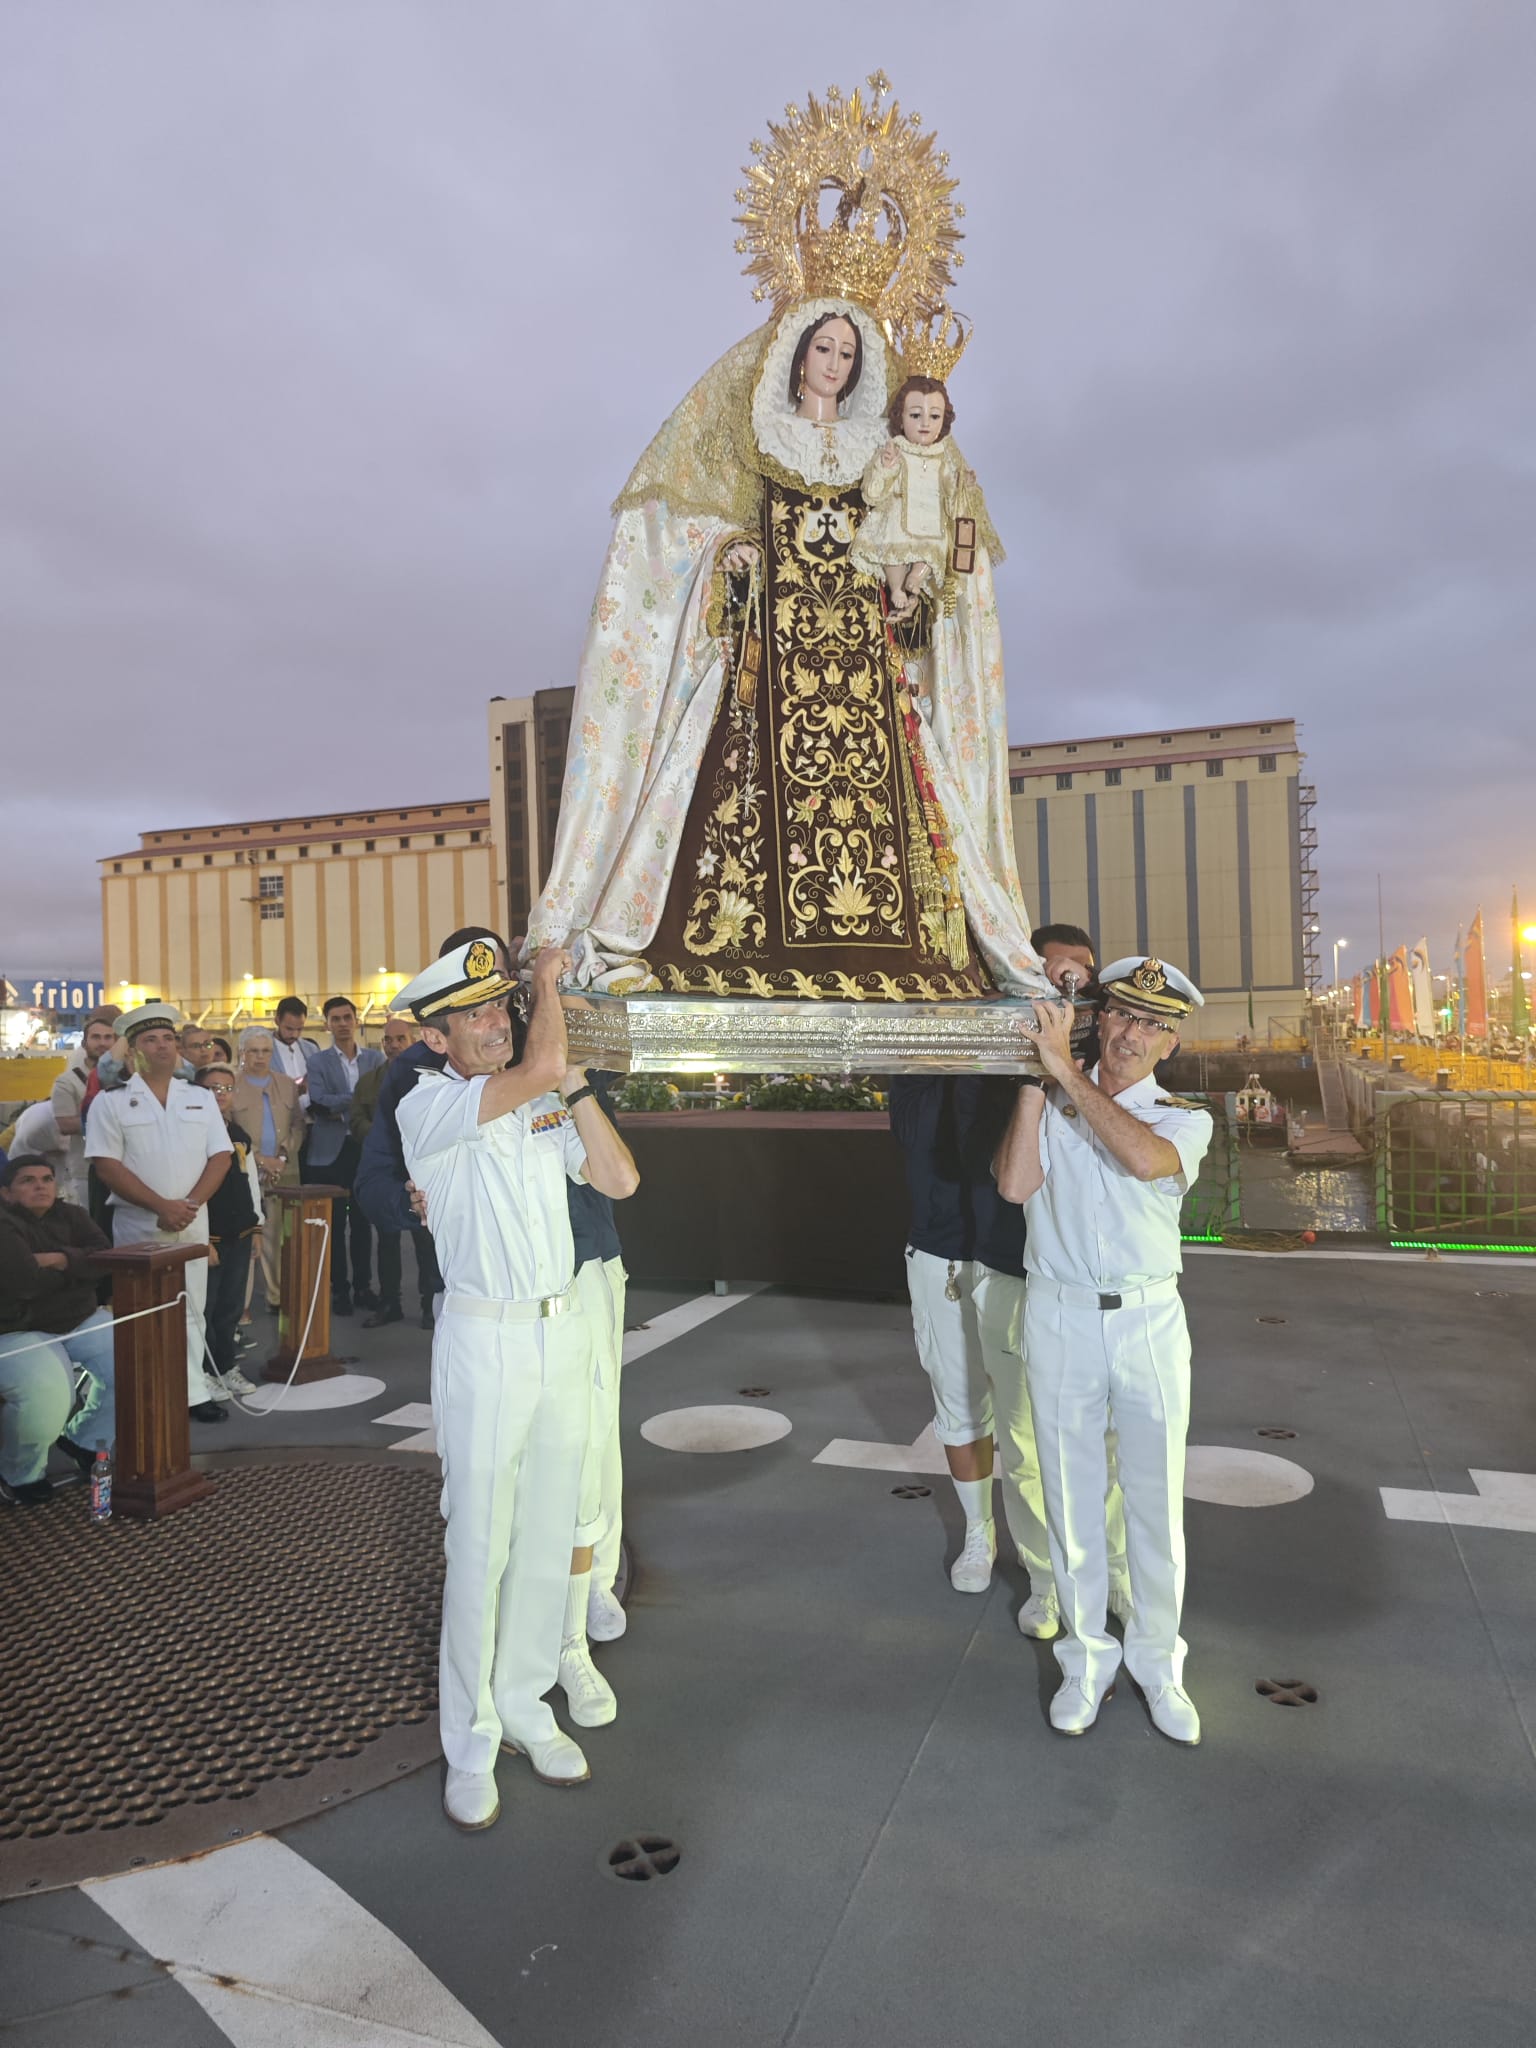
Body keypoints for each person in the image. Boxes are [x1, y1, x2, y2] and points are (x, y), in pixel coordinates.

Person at [525, 176, 1047, 1004]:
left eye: (849, 353)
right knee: (731, 801)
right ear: (796, 353)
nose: (834, 365)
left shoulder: (889, 452)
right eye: (823, 349)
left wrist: (914, 587)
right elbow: (687, 532)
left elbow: (926, 537)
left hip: (865, 664)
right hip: (772, 662)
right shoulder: (753, 439)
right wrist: (730, 551)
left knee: (903, 807)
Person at [395, 939, 640, 1832]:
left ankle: (528, 1704)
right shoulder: (429, 1108)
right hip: (484, 1341)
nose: (493, 1023)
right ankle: (471, 1738)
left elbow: (619, 1178)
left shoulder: (543, 1097)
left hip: (559, 1328)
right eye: (473, 1015)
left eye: (501, 1006)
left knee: (545, 1538)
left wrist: (572, 1088)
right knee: (480, 1548)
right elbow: (539, 1062)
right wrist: (547, 988)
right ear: (436, 1039)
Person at [995, 956, 1213, 1744]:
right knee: (1072, 1503)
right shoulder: (1050, 1094)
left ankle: (1158, 1663)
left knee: (1155, 1506)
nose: (1132, 1034)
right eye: (1122, 1015)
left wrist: (1065, 1074)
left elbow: (1143, 1159)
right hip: (1058, 1316)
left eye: (1153, 1025)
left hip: (1149, 1321)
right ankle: (1087, 1660)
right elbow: (1015, 1187)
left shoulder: (1182, 1118)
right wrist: (1033, 1078)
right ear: (1100, 1018)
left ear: (1171, 1044)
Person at [888, 1075, 1131, 1626]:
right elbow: (914, 1133)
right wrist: (952, 1061)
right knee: (960, 1402)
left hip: (1019, 1254)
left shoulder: (1024, 1048)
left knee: (1054, 1424)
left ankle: (1103, 1562)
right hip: (939, 1246)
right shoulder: (915, 1057)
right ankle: (981, 1532)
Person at [83, 1003, 232, 1424]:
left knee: (191, 1307)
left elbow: (220, 1157)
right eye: (151, 1039)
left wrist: (189, 1206)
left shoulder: (200, 1098)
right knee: (143, 1311)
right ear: (132, 1050)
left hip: (192, 1219)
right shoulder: (110, 1104)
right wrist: (162, 1207)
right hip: (139, 1223)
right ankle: (145, 1390)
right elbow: (107, 1166)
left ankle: (192, 1391)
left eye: (168, 1038)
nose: (163, 1046)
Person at [0, 1157, 116, 1503]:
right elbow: (24, 1282)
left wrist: (56, 1259)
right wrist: (80, 1267)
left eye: (47, 1178)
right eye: (28, 1180)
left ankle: (83, 1440)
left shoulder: (73, 1215)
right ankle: (19, 1474)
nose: (41, 1186)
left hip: (78, 1317)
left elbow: (107, 1258)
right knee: (49, 1396)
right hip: (17, 1328)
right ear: (6, 1193)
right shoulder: (3, 1223)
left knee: (139, 1360)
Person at [852, 374, 975, 621]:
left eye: (934, 416)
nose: (925, 423)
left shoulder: (943, 458)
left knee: (935, 550)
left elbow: (951, 495)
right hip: (899, 517)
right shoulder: (895, 450)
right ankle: (896, 587)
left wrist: (962, 485)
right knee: (893, 548)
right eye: (916, 415)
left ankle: (916, 577)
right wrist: (885, 468)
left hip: (931, 520)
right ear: (901, 417)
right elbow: (873, 494)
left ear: (945, 420)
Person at [350, 1014, 439, 1329]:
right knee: (386, 1243)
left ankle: (431, 1305)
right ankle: (390, 1303)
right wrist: (380, 1134)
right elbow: (356, 1116)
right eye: (388, 1040)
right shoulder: (369, 1081)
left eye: (400, 1039)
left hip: (419, 1171)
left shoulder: (428, 1076)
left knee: (426, 1243)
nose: (393, 1045)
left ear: (413, 1040)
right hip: (387, 1172)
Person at [304, 997, 383, 1317]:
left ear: (357, 1020)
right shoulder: (318, 1062)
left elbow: (379, 1097)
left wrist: (342, 1107)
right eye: (335, 1019)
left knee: (364, 1223)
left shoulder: (375, 1059)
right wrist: (356, 1103)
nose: (342, 1024)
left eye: (347, 1017)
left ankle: (363, 1286)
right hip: (330, 1153)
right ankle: (339, 1290)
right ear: (327, 1024)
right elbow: (318, 1100)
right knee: (334, 1226)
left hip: (364, 1147)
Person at [194, 1064, 263, 1395]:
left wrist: (256, 1225)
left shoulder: (238, 1135)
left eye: (226, 1089)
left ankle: (225, 1367)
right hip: (211, 1236)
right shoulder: (191, 1134)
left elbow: (250, 1184)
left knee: (231, 1307)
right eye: (211, 1089)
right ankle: (203, 1370)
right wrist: (201, 1239)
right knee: (205, 1308)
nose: (219, 1096)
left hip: (240, 1231)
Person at [232, 1029, 302, 1312]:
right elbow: (228, 1132)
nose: (260, 1057)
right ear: (242, 1053)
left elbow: (298, 1123)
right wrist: (260, 1159)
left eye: (266, 1051)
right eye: (254, 1051)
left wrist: (284, 1154)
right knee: (248, 1238)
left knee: (282, 1237)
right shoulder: (231, 1086)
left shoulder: (286, 1084)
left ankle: (279, 1297)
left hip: (285, 1172)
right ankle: (241, 1306)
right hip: (244, 1174)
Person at [49, 1010, 120, 1204]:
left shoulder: (128, 1077)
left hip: (125, 1168)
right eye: (96, 1037)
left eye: (108, 1037)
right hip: (85, 1170)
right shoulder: (67, 1082)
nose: (102, 1043)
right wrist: (110, 1119)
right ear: (84, 1043)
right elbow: (65, 1124)